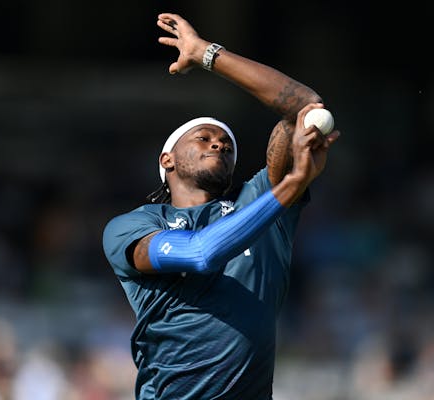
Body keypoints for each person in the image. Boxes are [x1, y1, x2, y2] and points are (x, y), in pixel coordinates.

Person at [102, 12, 340, 400]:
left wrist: (206, 53)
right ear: (168, 160)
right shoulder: (132, 226)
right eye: (204, 137)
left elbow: (305, 106)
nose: (219, 144)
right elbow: (199, 253)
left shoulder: (258, 202)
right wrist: (293, 185)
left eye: (226, 143)